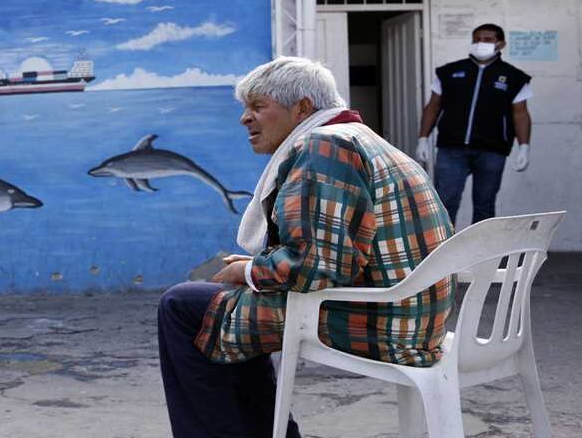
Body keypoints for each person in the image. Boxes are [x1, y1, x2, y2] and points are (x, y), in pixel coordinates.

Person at [158, 56, 455, 438]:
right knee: (225, 308)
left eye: (258, 107)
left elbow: (320, 268)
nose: (244, 119)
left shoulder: (324, 147)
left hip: (380, 322)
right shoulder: (363, 139)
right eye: (245, 108)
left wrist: (249, 270)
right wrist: (256, 271)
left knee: (183, 306)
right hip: (414, 314)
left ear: (303, 108)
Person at [415, 23, 532, 225]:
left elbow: (520, 114)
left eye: (487, 40)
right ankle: (442, 251)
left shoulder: (514, 77)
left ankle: (479, 254)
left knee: (484, 205)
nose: (480, 43)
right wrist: (423, 138)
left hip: (492, 150)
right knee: (444, 202)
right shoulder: (450, 72)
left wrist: (524, 147)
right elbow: (433, 107)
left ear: (500, 44)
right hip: (451, 149)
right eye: (476, 39)